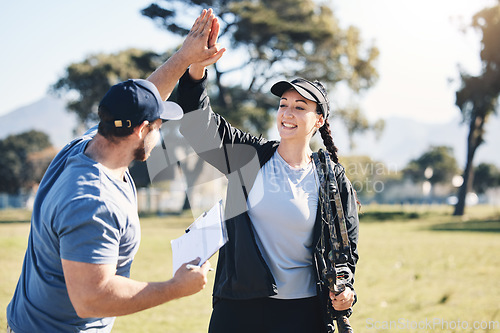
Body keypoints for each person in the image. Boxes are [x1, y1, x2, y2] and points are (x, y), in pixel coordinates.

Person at [6, 9, 225, 333]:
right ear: (140, 131)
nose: (160, 131)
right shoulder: (93, 202)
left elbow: (142, 97)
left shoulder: (82, 148)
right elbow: (92, 299)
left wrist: (184, 57)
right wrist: (176, 287)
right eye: (157, 125)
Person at [172, 16, 360, 333]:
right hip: (240, 308)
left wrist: (344, 288)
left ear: (318, 121)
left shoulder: (331, 177)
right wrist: (195, 70)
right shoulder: (249, 157)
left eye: (300, 107)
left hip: (304, 313)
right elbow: (197, 126)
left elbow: (344, 248)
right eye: (283, 104)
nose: (287, 113)